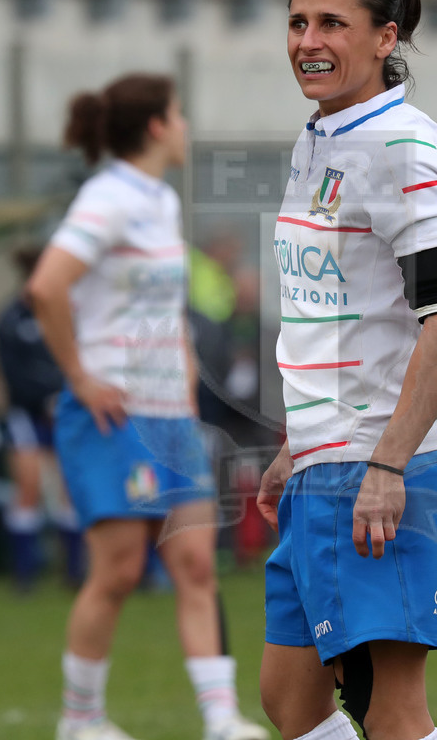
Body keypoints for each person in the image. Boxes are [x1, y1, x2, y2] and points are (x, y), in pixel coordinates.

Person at [257, 0, 437, 740]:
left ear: (386, 38)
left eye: (331, 24)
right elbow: (340, 313)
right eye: (297, 22)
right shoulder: (319, 140)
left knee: (389, 707)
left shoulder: (402, 147)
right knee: (289, 701)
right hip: (325, 459)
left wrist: (387, 465)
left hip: (377, 466)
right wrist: (299, 443)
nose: (307, 40)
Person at [28, 73, 269, 740]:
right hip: (113, 415)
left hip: (171, 417)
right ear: (158, 127)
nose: (187, 128)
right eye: (179, 116)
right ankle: (80, 720)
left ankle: (221, 718)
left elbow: (165, 308)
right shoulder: (107, 198)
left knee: (196, 563)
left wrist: (185, 379)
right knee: (119, 570)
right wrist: (81, 376)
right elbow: (47, 287)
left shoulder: (160, 201)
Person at [0, 244, 83, 591]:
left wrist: (64, 396)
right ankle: (25, 573)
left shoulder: (65, 312)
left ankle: (73, 570)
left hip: (64, 409)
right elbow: (12, 373)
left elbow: (74, 359)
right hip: (27, 414)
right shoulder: (10, 318)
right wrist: (41, 400)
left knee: (69, 489)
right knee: (28, 487)